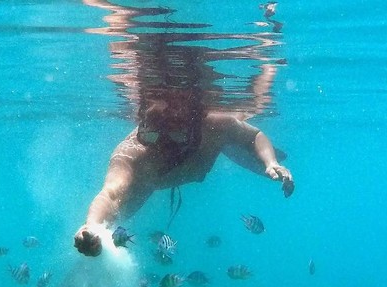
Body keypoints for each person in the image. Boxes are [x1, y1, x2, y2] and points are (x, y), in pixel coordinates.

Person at [74, 1, 293, 257]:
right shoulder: (133, 154)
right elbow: (110, 194)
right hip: (153, 181)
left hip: (206, 149)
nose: (159, 140)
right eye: (153, 126)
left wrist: (270, 162)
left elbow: (253, 135)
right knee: (112, 217)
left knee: (235, 141)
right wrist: (91, 225)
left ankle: (257, 161)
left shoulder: (214, 126)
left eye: (176, 117)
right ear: (142, 119)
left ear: (192, 112)